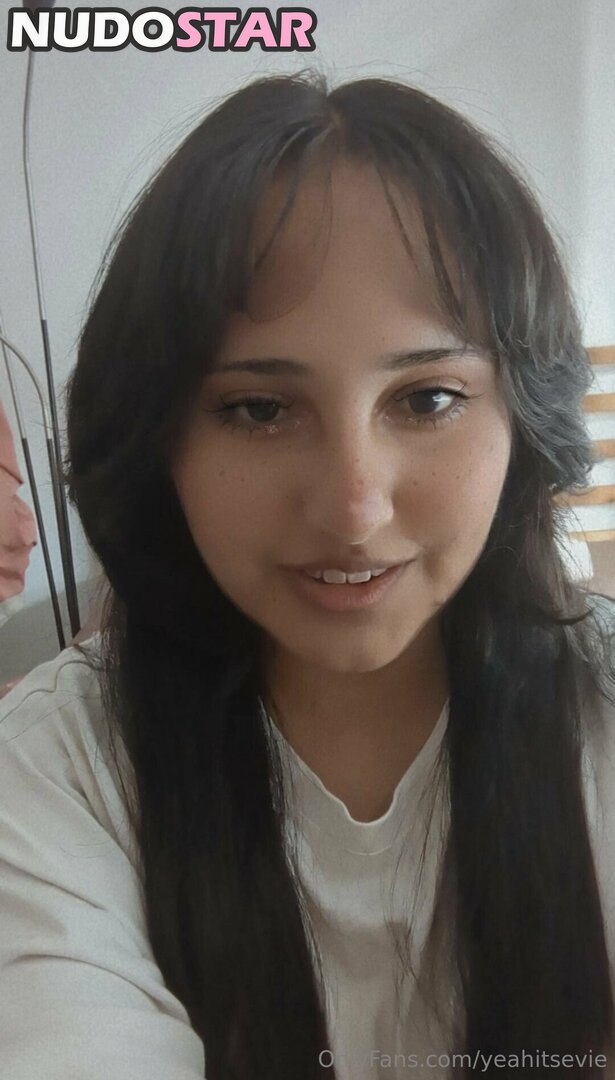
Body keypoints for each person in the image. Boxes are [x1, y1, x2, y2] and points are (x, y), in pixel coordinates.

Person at [0, 71, 613, 1080]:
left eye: (427, 399)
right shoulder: (57, 773)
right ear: (160, 437)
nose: (354, 510)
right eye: (259, 409)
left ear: (520, 419)